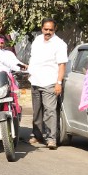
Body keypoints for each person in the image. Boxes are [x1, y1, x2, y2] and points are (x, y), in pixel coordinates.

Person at [28, 18, 68, 149]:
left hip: (50, 82)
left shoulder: (59, 44)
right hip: (35, 80)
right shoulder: (37, 40)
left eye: (51, 30)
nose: (48, 32)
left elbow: (62, 65)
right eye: (46, 29)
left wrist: (58, 82)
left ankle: (51, 139)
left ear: (54, 29)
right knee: (37, 111)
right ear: (42, 28)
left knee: (50, 111)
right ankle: (37, 135)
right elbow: (33, 59)